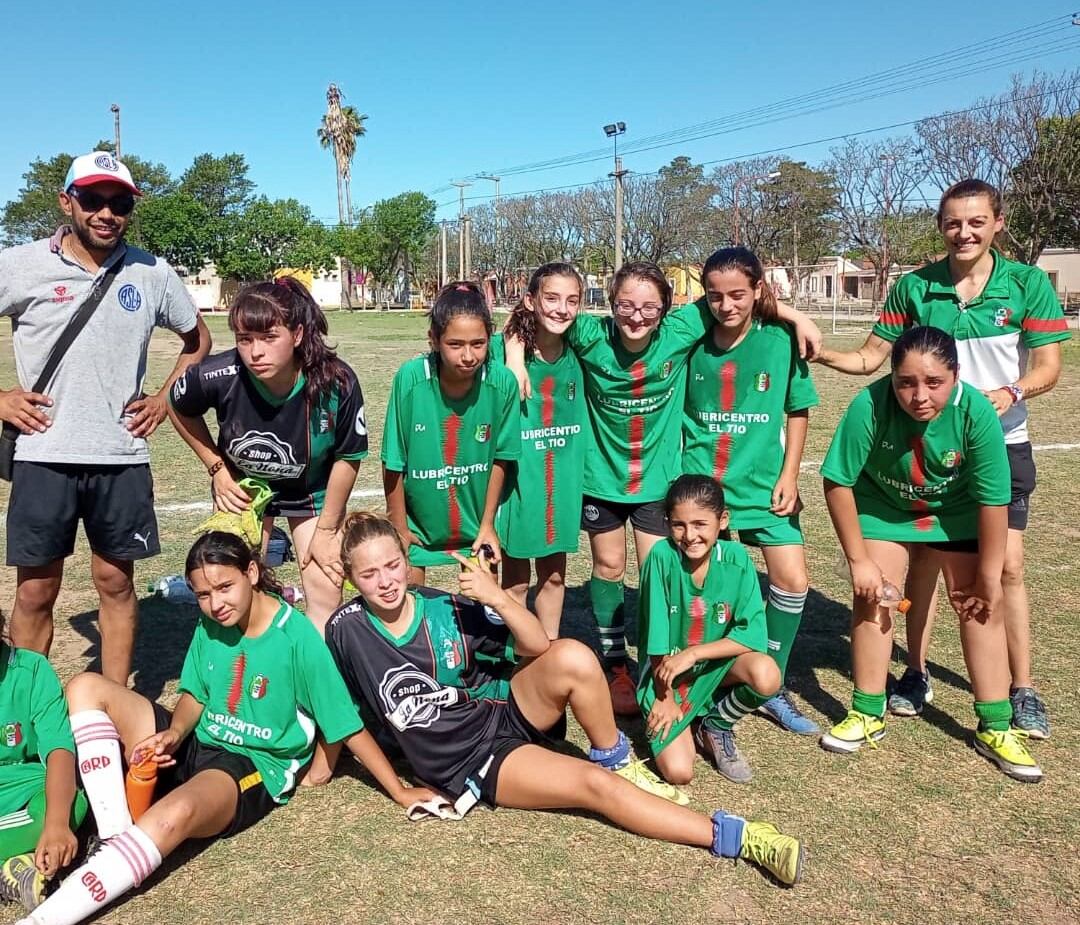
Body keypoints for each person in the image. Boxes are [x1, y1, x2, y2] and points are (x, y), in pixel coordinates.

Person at [323, 512, 806, 886]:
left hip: (505, 708)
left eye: (392, 565)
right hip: (476, 758)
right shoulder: (344, 631)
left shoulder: (443, 606)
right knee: (594, 789)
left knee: (573, 654)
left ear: (408, 563)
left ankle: (617, 757)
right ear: (349, 576)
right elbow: (344, 718)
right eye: (369, 574)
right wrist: (398, 788)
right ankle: (740, 836)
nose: (385, 581)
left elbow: (536, 645)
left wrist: (497, 597)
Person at [18, 532, 431, 925]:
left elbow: (345, 724)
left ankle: (44, 918)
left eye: (224, 587)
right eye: (202, 594)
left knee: (172, 816)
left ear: (252, 573)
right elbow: (195, 693)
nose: (215, 604)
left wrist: (399, 790)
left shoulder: (297, 637)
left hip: (247, 764)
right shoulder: (211, 623)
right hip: (197, 739)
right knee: (85, 686)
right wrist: (174, 733)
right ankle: (112, 837)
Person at [505, 262, 821, 714]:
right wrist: (516, 357)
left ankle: (663, 665)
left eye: (649, 308)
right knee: (609, 567)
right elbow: (531, 318)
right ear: (609, 306)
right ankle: (616, 665)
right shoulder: (591, 336)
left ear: (667, 310)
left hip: (657, 483)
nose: (637, 317)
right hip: (601, 481)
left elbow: (735, 296)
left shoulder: (681, 329)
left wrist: (796, 315)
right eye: (626, 306)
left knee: (660, 571)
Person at [814, 179, 1068, 738]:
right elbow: (871, 360)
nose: (965, 232)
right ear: (941, 226)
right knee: (919, 562)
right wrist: (819, 349)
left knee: (1002, 568)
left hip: (998, 442)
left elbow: (1050, 365)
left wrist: (1013, 392)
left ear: (998, 222)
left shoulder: (1026, 284)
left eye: (976, 221)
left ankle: (1020, 688)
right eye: (954, 222)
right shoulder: (915, 287)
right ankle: (915, 671)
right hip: (920, 447)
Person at [0, 151, 212, 684]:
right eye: (93, 200)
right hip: (44, 454)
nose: (106, 214)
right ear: (66, 201)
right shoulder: (21, 264)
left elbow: (197, 338)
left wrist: (164, 397)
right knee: (35, 591)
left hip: (121, 457)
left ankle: (114, 706)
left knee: (116, 584)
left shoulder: (152, 271)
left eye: (119, 203)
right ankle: (28, 710)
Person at [819, 326, 1042, 783]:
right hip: (884, 508)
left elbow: (993, 500)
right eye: (906, 382)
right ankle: (867, 712)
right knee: (874, 596)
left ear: (956, 375)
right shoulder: (869, 403)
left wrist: (988, 575)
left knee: (980, 605)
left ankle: (996, 726)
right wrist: (859, 559)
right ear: (893, 378)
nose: (919, 396)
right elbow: (837, 481)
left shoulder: (976, 412)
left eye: (934, 383)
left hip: (956, 512)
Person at [168, 276, 368, 631]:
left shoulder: (337, 382)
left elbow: (348, 457)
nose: (255, 352)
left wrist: (325, 531)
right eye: (245, 339)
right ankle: (247, 673)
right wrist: (217, 468)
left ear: (298, 335)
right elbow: (177, 404)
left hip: (311, 491)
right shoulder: (220, 373)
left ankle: (315, 677)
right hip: (244, 490)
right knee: (231, 589)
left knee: (326, 592)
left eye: (269, 337)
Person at [682, 247, 819, 735]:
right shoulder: (692, 337)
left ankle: (771, 680)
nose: (726, 305)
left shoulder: (780, 338)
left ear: (759, 290)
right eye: (715, 296)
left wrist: (790, 474)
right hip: (702, 484)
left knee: (792, 579)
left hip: (764, 485)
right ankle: (706, 675)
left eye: (738, 294)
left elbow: (797, 410)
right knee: (708, 585)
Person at [638, 476, 780, 785]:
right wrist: (665, 698)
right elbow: (657, 640)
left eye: (700, 524)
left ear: (722, 520)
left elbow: (751, 635)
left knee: (767, 673)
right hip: (666, 677)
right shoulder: (661, 558)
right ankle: (682, 716)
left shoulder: (738, 559)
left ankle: (714, 724)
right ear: (667, 524)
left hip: (709, 669)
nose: (690, 536)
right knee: (679, 773)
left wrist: (694, 654)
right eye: (679, 525)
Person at [382, 280, 521, 586]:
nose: (468, 356)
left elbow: (502, 457)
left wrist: (487, 524)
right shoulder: (411, 378)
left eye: (478, 344)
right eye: (455, 345)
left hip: (477, 529)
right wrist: (399, 526)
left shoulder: (502, 383)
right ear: (434, 339)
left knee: (484, 618)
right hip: (418, 529)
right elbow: (393, 460)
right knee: (411, 615)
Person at [491, 263, 587, 638]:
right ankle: (514, 656)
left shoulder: (581, 348)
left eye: (571, 300)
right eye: (551, 298)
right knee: (514, 580)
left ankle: (547, 650)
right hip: (517, 482)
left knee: (554, 575)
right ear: (531, 300)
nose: (561, 309)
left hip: (561, 481)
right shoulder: (504, 352)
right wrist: (515, 355)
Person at [0, 613, 87, 914]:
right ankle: (15, 863)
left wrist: (55, 824)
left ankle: (19, 859)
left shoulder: (31, 670)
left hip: (25, 783)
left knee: (70, 803)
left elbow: (59, 751)